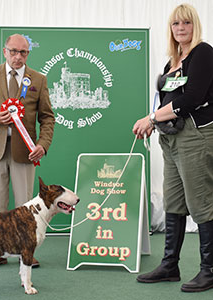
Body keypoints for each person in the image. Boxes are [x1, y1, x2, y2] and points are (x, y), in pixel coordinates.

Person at [133, 4, 213, 293]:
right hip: (170, 139)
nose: (180, 28)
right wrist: (153, 121)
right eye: (175, 23)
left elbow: (191, 99)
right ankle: (170, 265)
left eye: (186, 23)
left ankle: (209, 270)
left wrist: (151, 118)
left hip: (195, 137)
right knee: (174, 202)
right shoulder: (172, 61)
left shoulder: (203, 53)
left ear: (195, 25)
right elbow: (165, 101)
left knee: (201, 202)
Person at [0, 34, 55, 269]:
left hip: (25, 152)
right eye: (14, 51)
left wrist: (42, 145)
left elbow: (47, 117)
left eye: (23, 52)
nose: (18, 56)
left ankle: (27, 251)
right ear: (4, 51)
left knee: (27, 206)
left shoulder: (38, 79)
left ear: (28, 54)